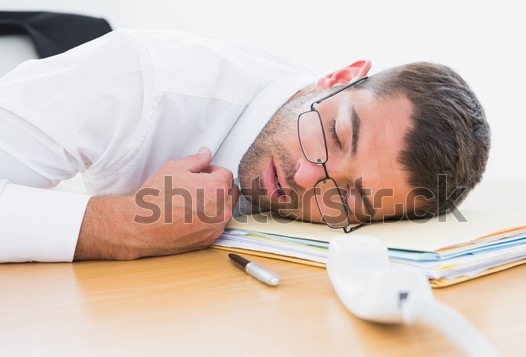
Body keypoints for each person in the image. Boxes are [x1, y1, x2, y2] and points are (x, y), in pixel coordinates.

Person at [0, 29, 490, 263]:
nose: (304, 178)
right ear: (339, 78)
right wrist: (123, 225)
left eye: (346, 198)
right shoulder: (142, 80)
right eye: (337, 134)